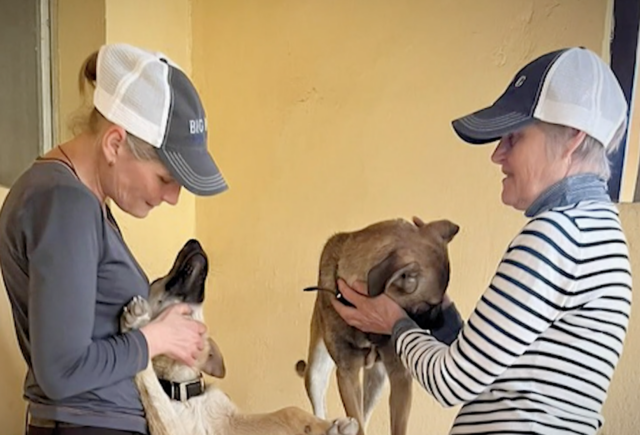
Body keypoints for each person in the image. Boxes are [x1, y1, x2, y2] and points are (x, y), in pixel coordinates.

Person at [331, 46, 633, 434]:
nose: (497, 155)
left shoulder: (556, 234)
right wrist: (434, 307)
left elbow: (451, 382)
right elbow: (485, 369)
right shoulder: (597, 231)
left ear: (572, 137)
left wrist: (395, 322)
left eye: (514, 138)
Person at [0, 43, 229, 435]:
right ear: (114, 144)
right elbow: (61, 370)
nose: (173, 198)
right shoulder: (64, 203)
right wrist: (156, 338)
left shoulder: (82, 202)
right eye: (165, 179)